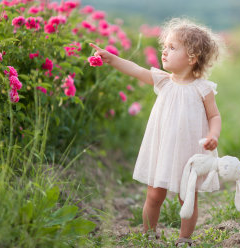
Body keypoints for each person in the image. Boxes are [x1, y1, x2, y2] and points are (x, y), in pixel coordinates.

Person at [90, 17, 224, 247]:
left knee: (188, 198)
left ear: (192, 57)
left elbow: (214, 116)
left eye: (172, 48)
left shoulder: (203, 89)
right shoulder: (163, 81)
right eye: (165, 47)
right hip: (162, 148)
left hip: (190, 151)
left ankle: (184, 239)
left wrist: (213, 136)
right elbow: (135, 69)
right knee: (154, 195)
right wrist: (112, 59)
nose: (164, 52)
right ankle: (148, 235)